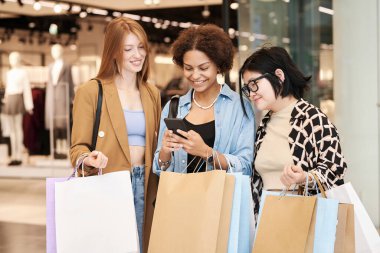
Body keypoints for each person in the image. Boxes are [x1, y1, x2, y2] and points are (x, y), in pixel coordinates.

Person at [70, 17, 161, 253]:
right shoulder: (90, 91)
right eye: (128, 49)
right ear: (113, 52)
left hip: (146, 184)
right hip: (109, 182)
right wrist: (87, 159)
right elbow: (77, 147)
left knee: (142, 246)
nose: (137, 54)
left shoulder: (152, 93)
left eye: (141, 47)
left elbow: (156, 143)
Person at [239, 46, 347, 217]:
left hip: (304, 221)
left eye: (254, 84)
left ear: (279, 76)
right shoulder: (264, 124)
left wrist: (305, 178)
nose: (251, 94)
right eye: (247, 88)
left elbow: (335, 170)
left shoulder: (313, 118)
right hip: (267, 221)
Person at [153, 24, 255, 176]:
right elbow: (160, 169)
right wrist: (165, 152)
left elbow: (246, 166)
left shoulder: (238, 107)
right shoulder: (174, 107)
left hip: (221, 198)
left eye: (203, 68)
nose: (195, 75)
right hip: (181, 197)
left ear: (218, 66)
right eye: (188, 68)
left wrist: (206, 152)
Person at [2, 51, 33, 165]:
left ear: (19, 59)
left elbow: (27, 89)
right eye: (11, 58)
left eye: (14, 58)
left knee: (18, 128)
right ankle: (13, 155)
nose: (12, 61)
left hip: (18, 99)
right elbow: (8, 89)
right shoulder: (9, 73)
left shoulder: (23, 72)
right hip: (10, 100)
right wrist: (5, 100)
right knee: (11, 130)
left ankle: (19, 155)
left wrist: (29, 105)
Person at [45, 44, 75, 159]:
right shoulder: (50, 66)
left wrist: (73, 98)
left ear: (62, 52)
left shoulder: (67, 66)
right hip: (51, 97)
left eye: (57, 50)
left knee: (63, 123)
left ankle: (66, 149)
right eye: (53, 51)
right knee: (53, 124)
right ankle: (54, 151)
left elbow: (71, 82)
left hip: (63, 96)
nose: (55, 53)